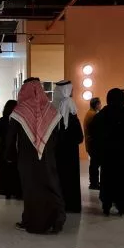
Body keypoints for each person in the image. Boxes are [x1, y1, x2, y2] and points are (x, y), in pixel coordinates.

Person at [5, 78, 66, 234]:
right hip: (48, 158)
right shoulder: (52, 111)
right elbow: (58, 138)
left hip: (27, 160)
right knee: (51, 186)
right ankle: (56, 221)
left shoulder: (19, 112)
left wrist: (10, 156)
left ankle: (33, 222)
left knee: (31, 190)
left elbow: (10, 138)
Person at [90, 88, 124, 216]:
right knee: (121, 179)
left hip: (106, 153)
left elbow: (94, 132)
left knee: (107, 179)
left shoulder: (102, 114)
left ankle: (106, 206)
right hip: (121, 153)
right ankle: (121, 206)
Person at [53, 81, 84, 213]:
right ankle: (71, 205)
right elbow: (78, 136)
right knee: (70, 178)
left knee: (59, 176)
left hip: (58, 149)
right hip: (70, 150)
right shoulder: (69, 103)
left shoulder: (54, 105)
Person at [0, 100, 22, 199]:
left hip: (9, 147)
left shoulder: (3, 120)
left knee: (9, 170)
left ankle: (8, 191)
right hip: (11, 147)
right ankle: (12, 191)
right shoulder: (12, 120)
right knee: (12, 170)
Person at [84, 97, 102, 190]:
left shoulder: (90, 113)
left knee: (94, 164)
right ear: (96, 105)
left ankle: (94, 182)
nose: (101, 105)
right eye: (100, 103)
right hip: (93, 143)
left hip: (90, 142)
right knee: (95, 164)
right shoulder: (93, 115)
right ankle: (94, 183)